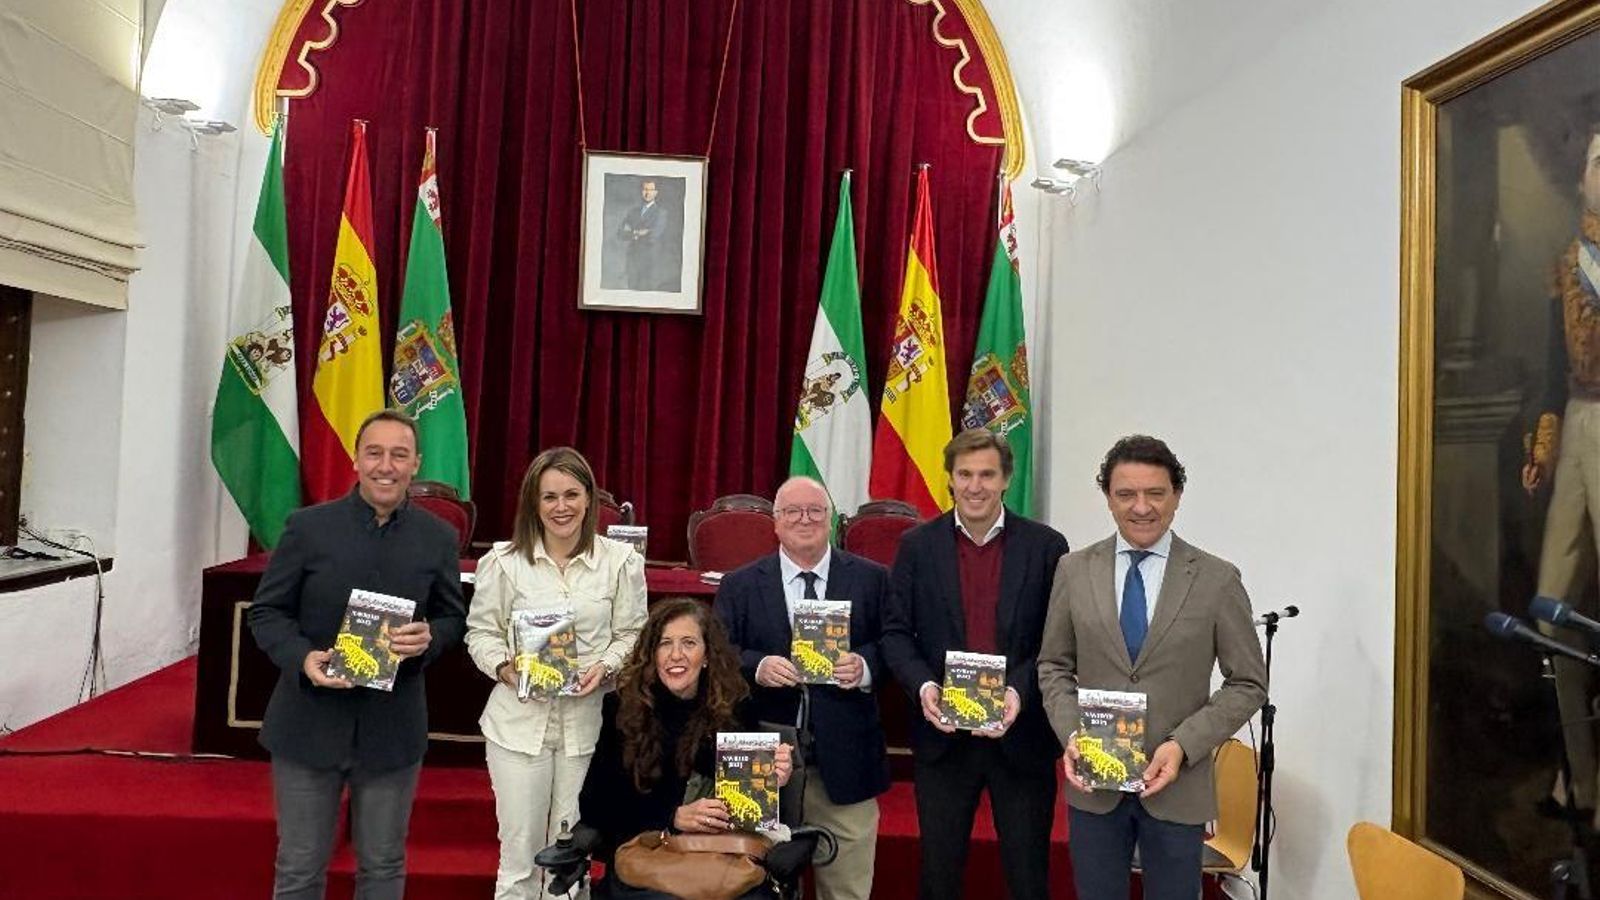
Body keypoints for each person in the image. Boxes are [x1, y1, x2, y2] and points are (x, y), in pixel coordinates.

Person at [248, 408, 466, 900]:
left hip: (392, 731)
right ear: (356, 460)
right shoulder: (307, 528)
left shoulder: (438, 539)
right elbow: (267, 612)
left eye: (398, 455)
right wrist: (302, 658)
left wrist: (430, 637)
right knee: (300, 865)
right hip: (307, 725)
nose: (385, 465)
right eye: (374, 453)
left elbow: (453, 619)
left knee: (384, 865)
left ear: (416, 464)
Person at [1038, 435, 1267, 900]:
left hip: (1177, 788)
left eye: (1155, 493)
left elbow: (1247, 682)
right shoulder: (1073, 570)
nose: (1141, 507)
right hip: (1095, 786)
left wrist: (1183, 745)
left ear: (1177, 496)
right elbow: (1053, 666)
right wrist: (1072, 734)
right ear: (1108, 498)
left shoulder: (1217, 578)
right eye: (1126, 494)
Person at [881, 428, 1069, 900]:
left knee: (1028, 877)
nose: (975, 485)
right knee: (939, 877)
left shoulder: (1046, 547)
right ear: (949, 479)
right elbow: (896, 634)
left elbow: (1058, 640)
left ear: (1006, 479)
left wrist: (1018, 693)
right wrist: (924, 686)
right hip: (943, 741)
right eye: (964, 474)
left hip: (1021, 736)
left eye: (987, 474)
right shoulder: (916, 546)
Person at [466, 447, 648, 900]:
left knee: (571, 863)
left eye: (571, 494)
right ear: (533, 502)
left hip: (588, 729)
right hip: (517, 729)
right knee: (519, 858)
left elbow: (633, 634)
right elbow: (480, 634)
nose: (561, 507)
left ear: (589, 500)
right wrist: (507, 669)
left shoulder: (621, 562)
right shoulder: (503, 562)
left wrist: (605, 666)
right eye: (549, 497)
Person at [714, 476, 891, 900]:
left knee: (846, 890)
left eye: (815, 510)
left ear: (830, 519)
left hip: (846, 765)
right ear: (775, 522)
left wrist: (864, 666)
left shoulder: (872, 579)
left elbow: (896, 643)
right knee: (750, 888)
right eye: (792, 511)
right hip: (759, 761)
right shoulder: (739, 585)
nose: (804, 519)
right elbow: (718, 653)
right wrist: (755, 666)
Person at [578, 599, 794, 898]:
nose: (675, 655)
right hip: (650, 855)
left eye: (689, 643)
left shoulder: (737, 706)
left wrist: (771, 780)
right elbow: (595, 804)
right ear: (652, 654)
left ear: (707, 655)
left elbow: (748, 808)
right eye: (665, 643)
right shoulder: (622, 708)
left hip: (719, 857)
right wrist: (672, 815)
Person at [1522, 121, 1600, 817]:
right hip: (1578, 424)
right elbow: (1552, 370)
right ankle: (1581, 775)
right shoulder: (1562, 263)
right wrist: (1543, 448)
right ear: (1582, 177)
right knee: (1554, 616)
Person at [616, 179, 670, 291]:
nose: (647, 193)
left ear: (656, 192)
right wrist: (638, 233)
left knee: (646, 292)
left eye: (651, 190)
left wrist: (632, 232)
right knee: (631, 291)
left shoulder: (661, 213)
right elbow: (620, 234)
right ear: (641, 191)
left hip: (650, 261)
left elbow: (653, 235)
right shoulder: (633, 212)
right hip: (632, 260)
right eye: (645, 189)